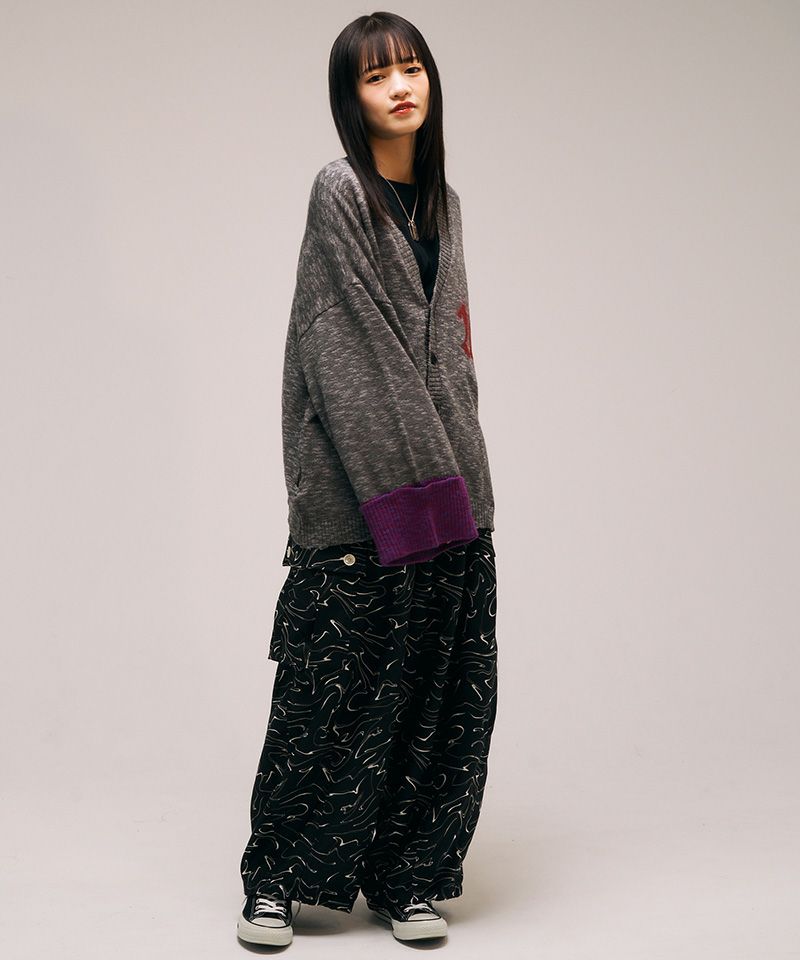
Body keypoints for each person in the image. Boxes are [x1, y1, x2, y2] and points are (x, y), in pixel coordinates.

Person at [237, 11, 498, 946]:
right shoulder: (339, 191)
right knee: (328, 695)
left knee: (441, 698)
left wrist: (466, 486)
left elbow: (451, 355)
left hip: (456, 492)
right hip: (359, 496)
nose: (400, 86)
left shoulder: (446, 204)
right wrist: (423, 491)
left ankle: (407, 876)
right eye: (375, 75)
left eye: (412, 67)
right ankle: (275, 881)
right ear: (349, 98)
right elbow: (347, 346)